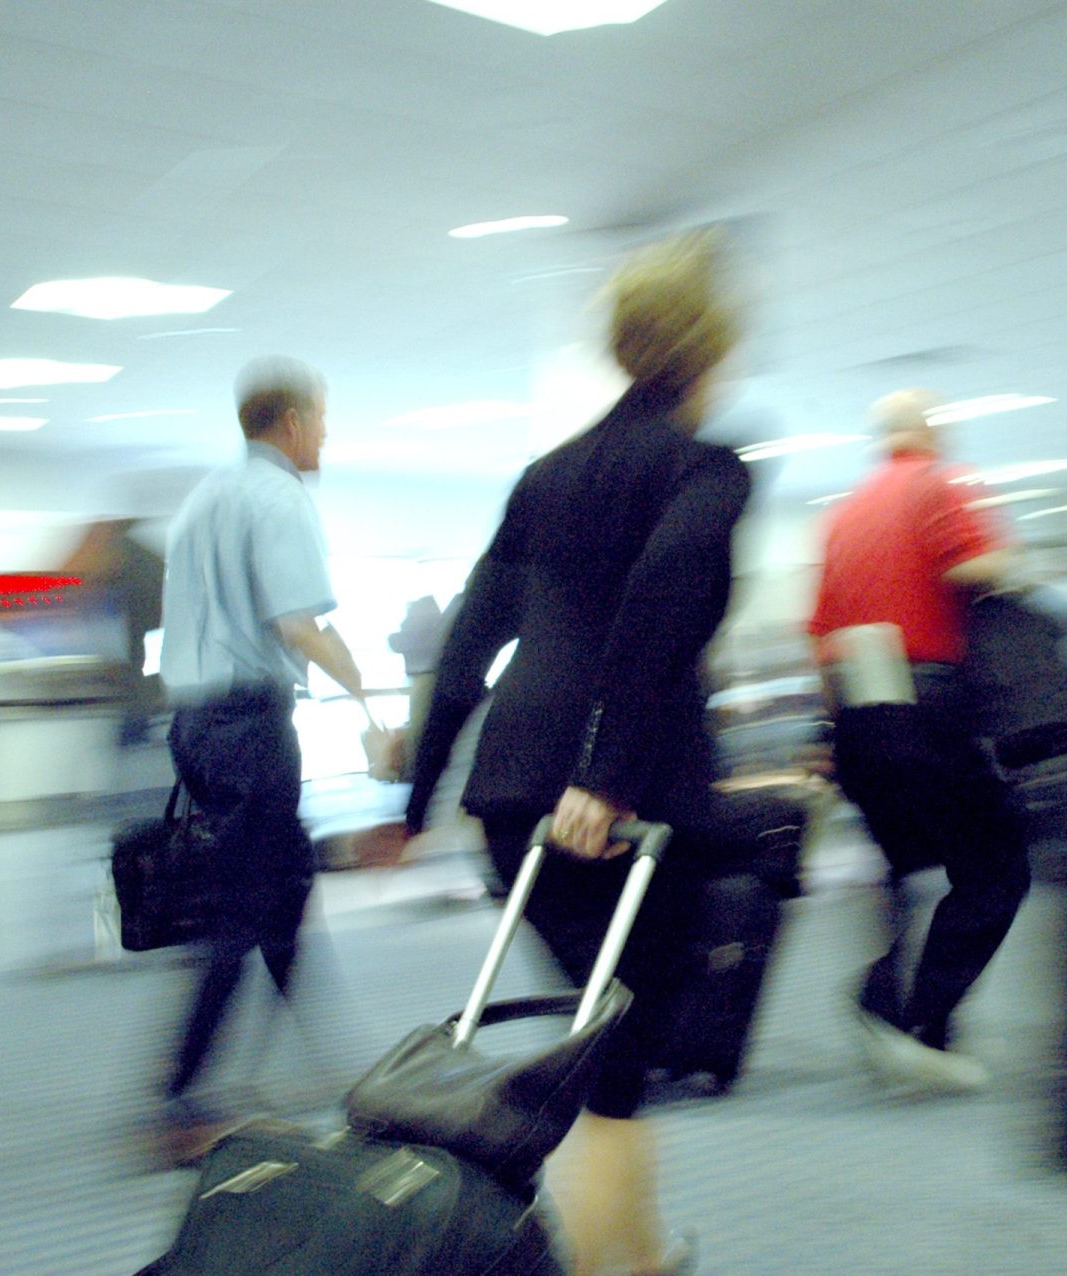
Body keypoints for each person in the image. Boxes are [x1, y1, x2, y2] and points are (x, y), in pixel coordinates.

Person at [364, 230, 747, 1276]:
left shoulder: (545, 475)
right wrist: (608, 773)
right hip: (623, 802)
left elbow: (468, 647)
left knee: (596, 1040)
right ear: (713, 351)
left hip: (513, 794)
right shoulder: (705, 469)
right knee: (618, 1055)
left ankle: (627, 1251)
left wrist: (418, 793)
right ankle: (616, 1262)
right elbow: (667, 597)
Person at [153, 356, 371, 1165]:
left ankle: (328, 1062)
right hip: (248, 726)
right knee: (242, 912)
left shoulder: (206, 498)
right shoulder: (278, 496)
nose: (325, 432)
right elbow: (298, 625)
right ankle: (175, 1102)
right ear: (289, 423)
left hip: (197, 725)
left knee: (284, 888)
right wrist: (368, 703)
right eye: (320, 417)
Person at [807, 389, 1032, 1093]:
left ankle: (887, 1003)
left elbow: (819, 638)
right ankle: (917, 1021)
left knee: (906, 865)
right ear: (930, 430)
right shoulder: (941, 482)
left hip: (859, 718)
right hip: (927, 708)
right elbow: (977, 567)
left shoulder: (840, 516)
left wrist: (827, 740)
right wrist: (1016, 565)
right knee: (996, 868)